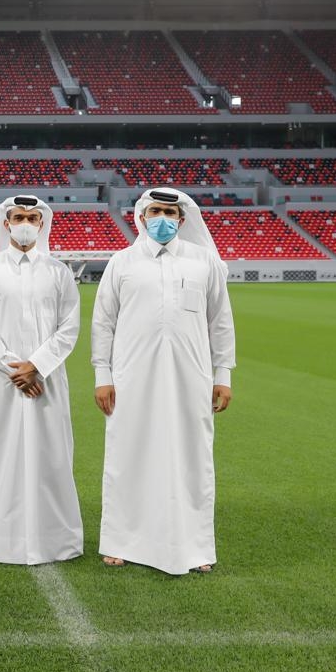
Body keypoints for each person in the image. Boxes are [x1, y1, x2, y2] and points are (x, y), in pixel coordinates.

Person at [91, 186, 236, 575]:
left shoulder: (204, 262)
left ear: (183, 220)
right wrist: (102, 375)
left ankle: (195, 546)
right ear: (140, 216)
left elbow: (220, 322)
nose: (163, 219)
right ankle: (121, 540)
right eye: (156, 210)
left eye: (171, 213)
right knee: (128, 454)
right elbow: (103, 323)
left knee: (192, 456)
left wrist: (222, 374)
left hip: (192, 378)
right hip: (130, 376)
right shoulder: (121, 262)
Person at [0, 196, 82, 565]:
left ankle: (54, 539)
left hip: (47, 380)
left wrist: (38, 364)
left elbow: (69, 327)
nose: (26, 223)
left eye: (33, 217)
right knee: (0, 452)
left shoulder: (59, 272)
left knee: (51, 454)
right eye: (19, 217)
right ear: (6, 223)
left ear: (42, 223)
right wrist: (14, 369)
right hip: (3, 382)